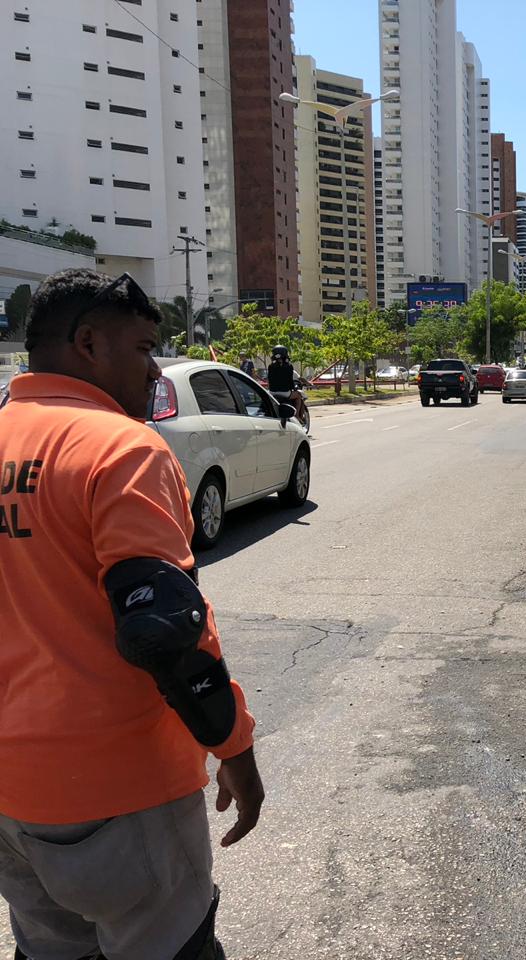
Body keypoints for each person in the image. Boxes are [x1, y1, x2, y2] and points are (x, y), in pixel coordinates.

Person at [0, 268, 263, 960]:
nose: (156, 370)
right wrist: (233, 747)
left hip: (11, 799)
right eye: (145, 349)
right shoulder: (118, 448)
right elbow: (166, 632)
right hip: (120, 789)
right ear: (87, 343)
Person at [266, 344, 308, 428]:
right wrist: (292, 389)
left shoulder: (270, 366)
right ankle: (297, 416)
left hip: (272, 392)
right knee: (299, 396)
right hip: (285, 392)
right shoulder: (289, 366)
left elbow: (269, 379)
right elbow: (289, 380)